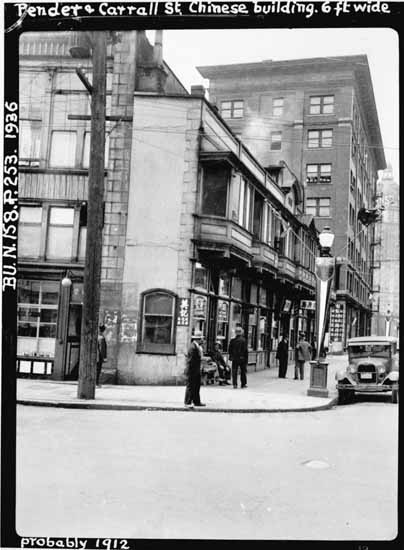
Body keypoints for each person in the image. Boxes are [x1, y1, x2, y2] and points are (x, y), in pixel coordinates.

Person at [184, 337, 206, 408]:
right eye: (201, 339)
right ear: (197, 339)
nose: (202, 340)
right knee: (190, 386)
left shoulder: (197, 346)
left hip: (196, 369)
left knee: (196, 386)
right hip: (192, 370)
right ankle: (187, 402)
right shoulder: (193, 347)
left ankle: (196, 401)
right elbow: (191, 360)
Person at [228, 324, 248, 389]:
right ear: (241, 332)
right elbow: (245, 351)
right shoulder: (244, 340)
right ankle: (243, 384)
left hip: (235, 358)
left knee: (234, 371)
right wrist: (246, 359)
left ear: (236, 333)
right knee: (243, 371)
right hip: (242, 358)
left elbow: (229, 350)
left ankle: (235, 384)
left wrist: (231, 356)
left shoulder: (232, 340)